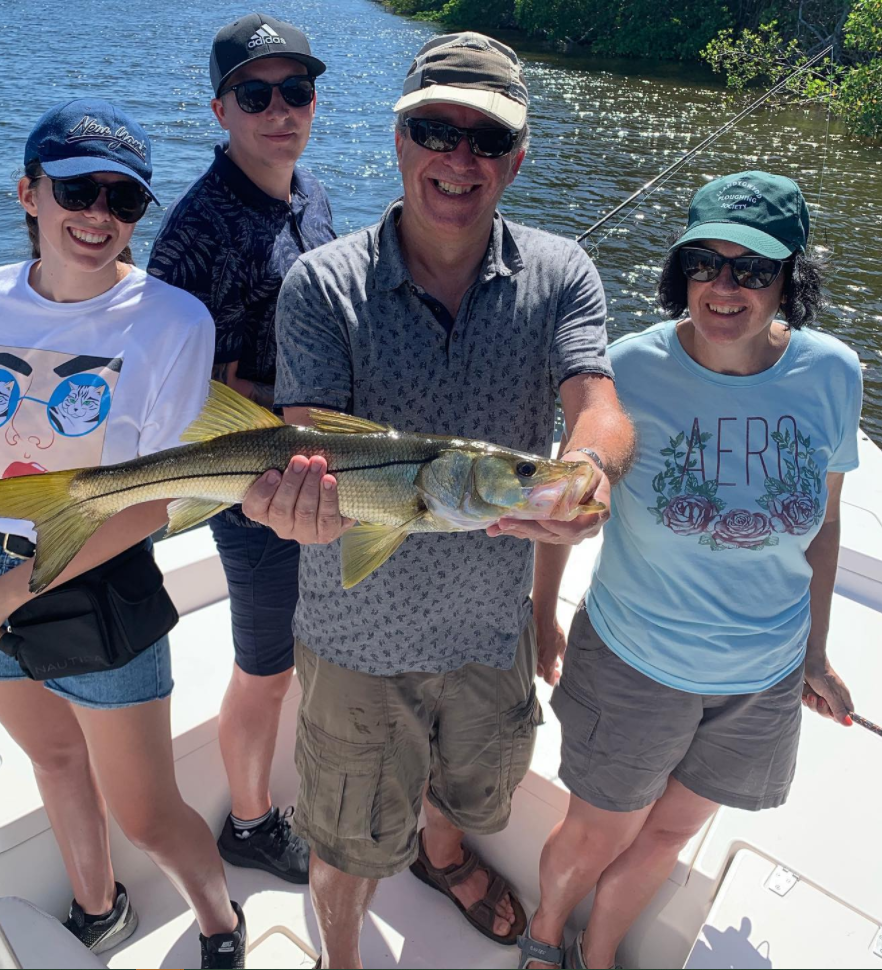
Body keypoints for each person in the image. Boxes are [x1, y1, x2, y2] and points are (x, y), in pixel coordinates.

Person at [240, 33, 636, 969]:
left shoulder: (560, 273)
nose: (459, 160)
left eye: (486, 141)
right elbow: (313, 444)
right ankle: (341, 954)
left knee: (471, 797)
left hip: (485, 637)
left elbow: (599, 408)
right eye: (434, 130)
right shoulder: (321, 284)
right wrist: (293, 505)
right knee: (345, 848)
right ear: (399, 140)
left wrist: (584, 474)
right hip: (356, 645)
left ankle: (444, 852)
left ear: (517, 158)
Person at [0, 99, 246, 968]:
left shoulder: (173, 323)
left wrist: (1, 597)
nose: (98, 214)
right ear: (28, 193)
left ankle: (219, 922)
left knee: (146, 810)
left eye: (124, 199)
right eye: (77, 189)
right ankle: (99, 910)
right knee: (55, 761)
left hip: (96, 580)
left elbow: (153, 504)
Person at [518, 171, 862, 970]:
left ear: (788, 280)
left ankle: (596, 954)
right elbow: (566, 505)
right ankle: (544, 936)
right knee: (596, 830)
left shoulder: (832, 373)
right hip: (637, 661)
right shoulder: (623, 372)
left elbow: (825, 521)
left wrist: (811, 652)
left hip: (764, 675)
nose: (724, 287)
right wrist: (541, 615)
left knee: (672, 830)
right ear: (679, 273)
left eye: (753, 269)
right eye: (704, 263)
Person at [148, 13, 334, 885]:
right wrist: (282, 405)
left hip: (333, 470)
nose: (279, 109)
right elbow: (166, 389)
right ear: (221, 109)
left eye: (295, 90)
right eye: (255, 94)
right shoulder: (194, 231)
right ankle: (250, 823)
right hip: (250, 481)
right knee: (266, 662)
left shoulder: (314, 195)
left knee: (312, 638)